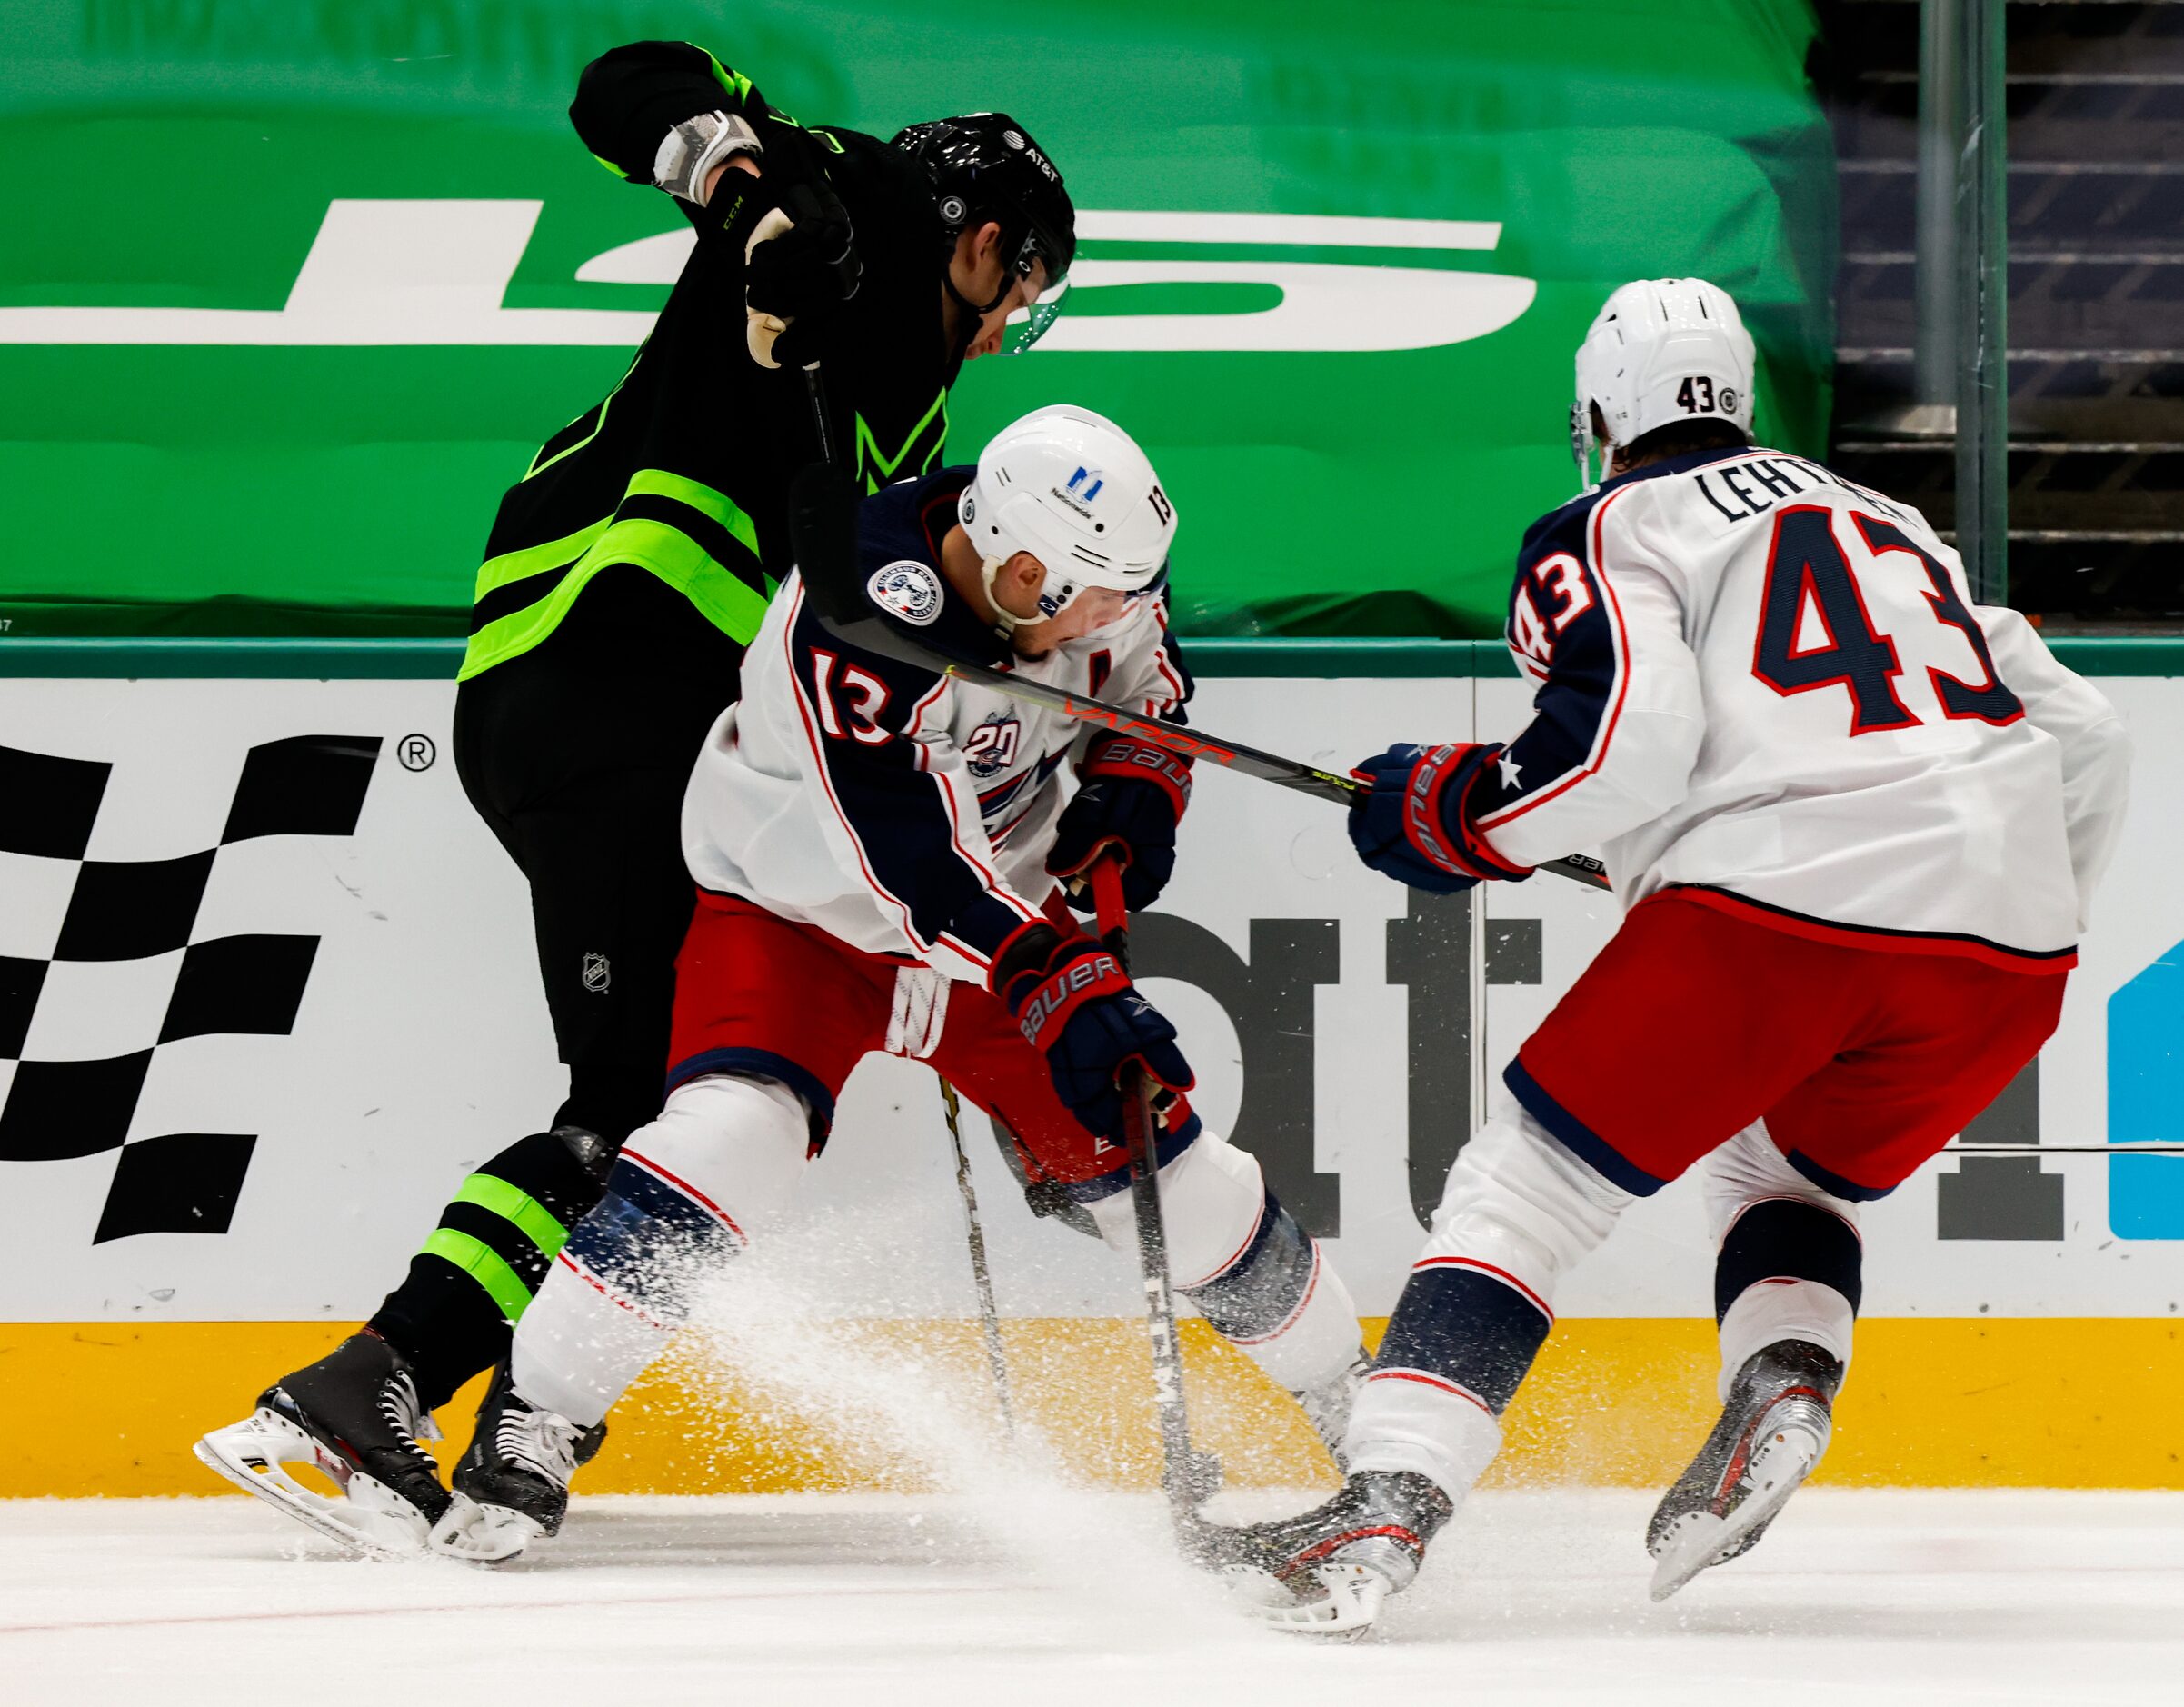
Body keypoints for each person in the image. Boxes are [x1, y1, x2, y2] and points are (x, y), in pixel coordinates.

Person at [194, 37, 1076, 1555]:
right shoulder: (855, 198)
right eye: (1027, 289)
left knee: (632, 1111)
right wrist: (736, 177)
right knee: (635, 1114)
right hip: (608, 680)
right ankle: (366, 1393)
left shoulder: (909, 394)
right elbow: (632, 75)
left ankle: (426, 1400)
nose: (1014, 326)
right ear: (986, 239)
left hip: (605, 716)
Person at [1224, 279, 2132, 1632]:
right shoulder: (1889, 524)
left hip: (1781, 912)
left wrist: (1455, 814)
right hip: (2005, 950)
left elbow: (1617, 748)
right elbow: (2089, 736)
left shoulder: (1605, 523)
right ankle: (1782, 1372)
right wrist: (1998, 899)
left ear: (1596, 414)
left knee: (1521, 1191)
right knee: (1781, 1170)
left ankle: (1385, 1496)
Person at [426, 404, 1370, 1561]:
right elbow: (909, 860)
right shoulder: (859, 619)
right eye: (1090, 600)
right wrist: (1057, 978)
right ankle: (537, 1415)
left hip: (1001, 932)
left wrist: (1134, 797)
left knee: (1174, 1181)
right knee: (730, 1138)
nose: (1111, 619)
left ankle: (1363, 1413)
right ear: (1020, 570)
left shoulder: (1093, 573)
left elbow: (1151, 701)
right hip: (799, 916)